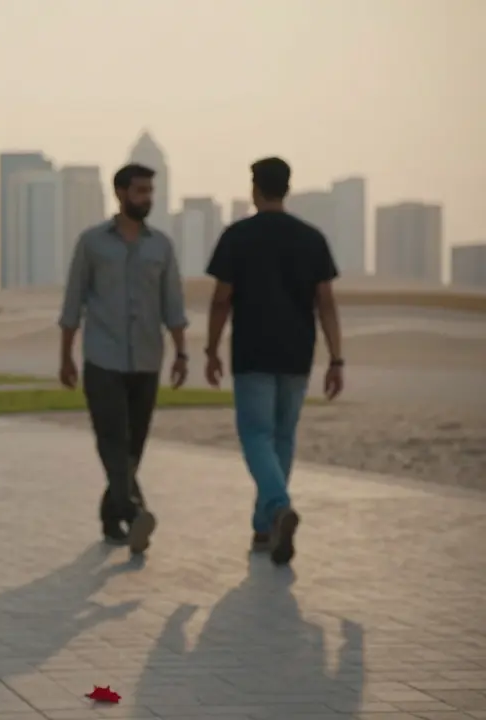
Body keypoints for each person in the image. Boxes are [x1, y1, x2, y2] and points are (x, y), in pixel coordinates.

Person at [203, 156, 344, 567]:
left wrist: (211, 350)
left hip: (253, 352)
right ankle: (264, 527)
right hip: (298, 352)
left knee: (256, 436)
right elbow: (327, 304)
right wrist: (337, 358)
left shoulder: (238, 236)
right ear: (287, 186)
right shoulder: (311, 238)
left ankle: (278, 506)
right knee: (282, 437)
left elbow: (220, 300)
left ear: (255, 187)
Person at [58, 163, 189, 555]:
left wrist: (182, 353)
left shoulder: (161, 246)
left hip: (148, 360)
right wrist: (66, 357)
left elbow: (174, 305)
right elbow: (72, 302)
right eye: (139, 191)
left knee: (134, 448)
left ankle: (110, 515)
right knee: (112, 441)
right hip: (102, 359)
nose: (146, 198)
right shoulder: (92, 243)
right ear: (120, 193)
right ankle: (134, 512)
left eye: (150, 191)